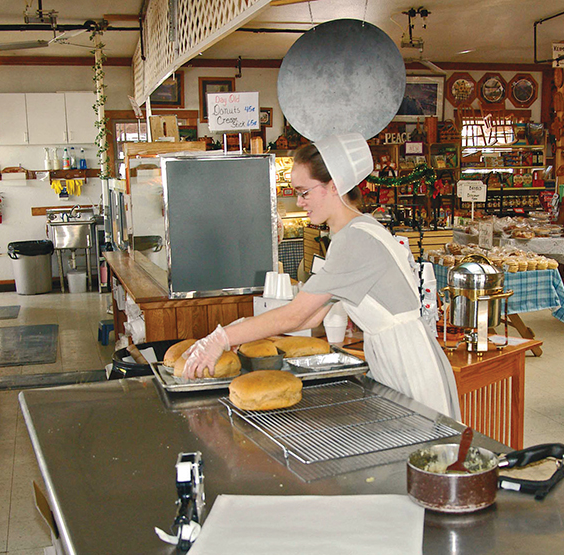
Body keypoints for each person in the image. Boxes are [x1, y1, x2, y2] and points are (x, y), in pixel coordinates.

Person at [181, 132, 461, 419]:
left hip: (407, 360)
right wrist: (243, 330)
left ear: (334, 186)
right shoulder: (354, 231)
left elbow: (295, 315)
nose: (300, 202)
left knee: (422, 447)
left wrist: (220, 338)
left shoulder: (355, 241)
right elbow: (310, 317)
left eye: (305, 192)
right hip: (396, 353)